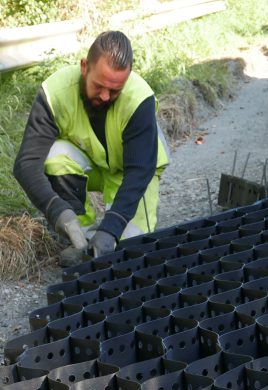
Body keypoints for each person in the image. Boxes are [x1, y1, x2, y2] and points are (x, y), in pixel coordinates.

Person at [13, 30, 170, 262]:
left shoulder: (138, 98)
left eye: (115, 90)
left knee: (130, 251)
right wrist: (57, 210)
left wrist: (112, 227)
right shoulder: (55, 93)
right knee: (55, 154)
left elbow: (139, 172)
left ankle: (105, 235)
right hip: (95, 166)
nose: (105, 96)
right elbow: (26, 164)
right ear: (85, 66)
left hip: (132, 173)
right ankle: (80, 235)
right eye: (99, 86)